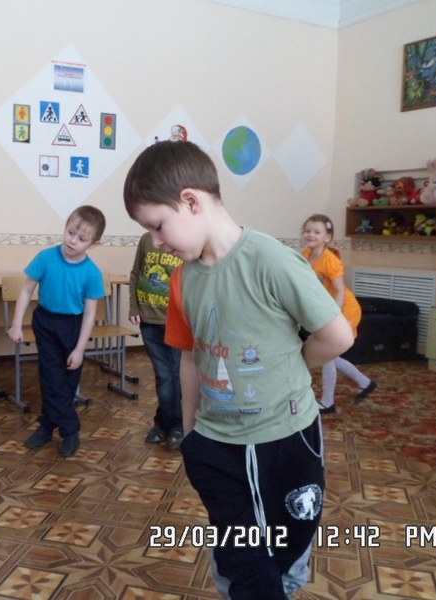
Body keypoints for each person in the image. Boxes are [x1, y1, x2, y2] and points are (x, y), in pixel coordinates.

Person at [123, 141, 354, 599]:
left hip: (286, 438)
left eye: (157, 226)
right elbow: (190, 357)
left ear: (191, 201)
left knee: (286, 551)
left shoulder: (272, 260)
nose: (157, 241)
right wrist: (192, 433)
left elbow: (338, 336)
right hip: (217, 445)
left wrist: (290, 365)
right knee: (239, 562)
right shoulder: (183, 278)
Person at [7, 205, 106, 458]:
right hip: (46, 323)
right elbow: (26, 290)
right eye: (70, 233)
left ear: (94, 244)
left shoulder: (92, 273)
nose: (73, 241)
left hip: (73, 327)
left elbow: (90, 314)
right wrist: (17, 323)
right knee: (51, 377)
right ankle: (70, 430)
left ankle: (48, 423)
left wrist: (80, 349)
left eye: (82, 239)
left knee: (67, 381)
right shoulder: (46, 258)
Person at [301, 214, 377, 414]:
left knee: (328, 352)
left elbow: (340, 291)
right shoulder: (305, 255)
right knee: (329, 353)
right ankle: (365, 382)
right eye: (307, 231)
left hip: (344, 309)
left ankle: (328, 402)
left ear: (327, 237)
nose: (311, 235)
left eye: (317, 232)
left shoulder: (331, 261)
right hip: (327, 308)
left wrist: (336, 316)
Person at [128, 231, 184, 450]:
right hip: (149, 321)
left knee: (174, 376)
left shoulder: (183, 240)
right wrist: (134, 307)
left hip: (176, 322)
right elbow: (136, 273)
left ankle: (170, 425)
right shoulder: (145, 239)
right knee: (164, 376)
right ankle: (169, 425)